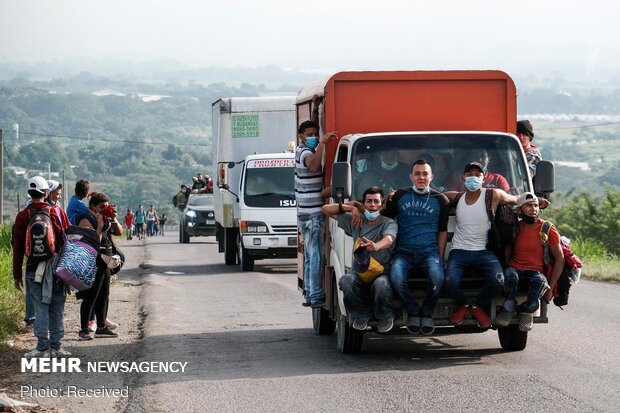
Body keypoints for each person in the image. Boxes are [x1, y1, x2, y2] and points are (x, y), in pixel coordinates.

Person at [443, 162, 519, 328]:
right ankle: (463, 305)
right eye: (469, 174)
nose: (473, 178)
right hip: (459, 251)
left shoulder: (493, 194)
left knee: (498, 281)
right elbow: (433, 194)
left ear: (484, 178)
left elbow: (514, 199)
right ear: (463, 177)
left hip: (484, 252)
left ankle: (477, 305)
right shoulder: (457, 197)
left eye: (478, 175)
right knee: (449, 280)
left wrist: (533, 200)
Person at [383, 159, 450, 335]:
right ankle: (413, 312)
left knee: (438, 279)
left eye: (425, 174)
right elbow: (384, 219)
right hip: (403, 253)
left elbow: (442, 231)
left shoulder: (440, 200)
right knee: (396, 278)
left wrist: (440, 255)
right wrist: (385, 199)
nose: (421, 177)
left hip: (429, 253)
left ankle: (427, 313)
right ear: (411, 176)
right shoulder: (399, 196)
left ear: (431, 176)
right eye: (417, 174)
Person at [322, 187, 398, 333]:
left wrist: (376, 246)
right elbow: (325, 209)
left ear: (381, 205)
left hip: (382, 272)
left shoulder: (389, 223)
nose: (373, 205)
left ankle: (384, 316)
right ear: (364, 204)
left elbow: (389, 239)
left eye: (376, 201)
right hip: (360, 273)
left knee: (381, 285)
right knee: (345, 280)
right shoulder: (356, 221)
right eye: (369, 201)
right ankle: (360, 316)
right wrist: (351, 207)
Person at [12, 176, 69, 358]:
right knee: (57, 306)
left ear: (29, 193)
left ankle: (42, 347)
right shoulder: (54, 212)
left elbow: (18, 248)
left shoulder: (22, 216)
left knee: (40, 308)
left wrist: (16, 276)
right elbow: (63, 241)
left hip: (32, 270)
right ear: (46, 193)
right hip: (55, 268)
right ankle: (57, 346)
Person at [496, 193, 564, 332]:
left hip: (535, 273)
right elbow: (508, 246)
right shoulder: (515, 227)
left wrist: (550, 287)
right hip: (515, 270)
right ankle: (508, 309)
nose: (533, 209)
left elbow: (560, 259)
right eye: (528, 205)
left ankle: (527, 313)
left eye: (535, 205)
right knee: (508, 275)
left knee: (540, 282)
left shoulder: (547, 228)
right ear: (519, 210)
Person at [294, 119, 338, 307]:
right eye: (309, 135)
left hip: (305, 212)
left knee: (311, 255)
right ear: (301, 137)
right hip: (312, 214)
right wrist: (322, 143)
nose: (313, 137)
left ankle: (311, 293)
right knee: (317, 255)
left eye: (315, 134)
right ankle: (316, 295)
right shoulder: (304, 152)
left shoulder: (302, 149)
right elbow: (313, 166)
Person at [76, 192, 122, 340]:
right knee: (90, 296)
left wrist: (113, 218)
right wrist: (100, 224)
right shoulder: (85, 219)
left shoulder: (105, 217)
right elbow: (93, 242)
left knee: (103, 295)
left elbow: (119, 232)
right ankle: (84, 330)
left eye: (107, 207)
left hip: (106, 261)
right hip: (94, 260)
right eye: (102, 207)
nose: (105, 209)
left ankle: (101, 327)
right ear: (93, 207)